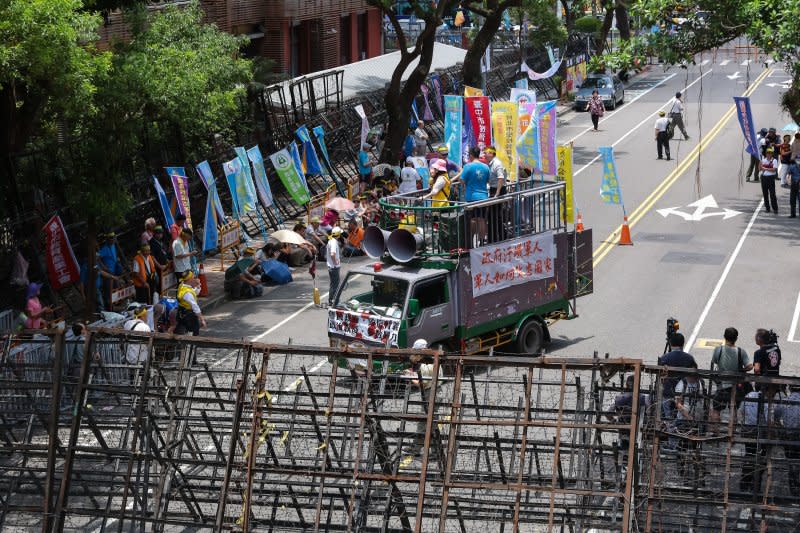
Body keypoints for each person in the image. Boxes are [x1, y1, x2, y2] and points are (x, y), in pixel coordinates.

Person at [405, 338, 444, 456]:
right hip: (434, 392)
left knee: (426, 423)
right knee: (429, 423)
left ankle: (432, 451)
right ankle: (420, 449)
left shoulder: (426, 365)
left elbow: (422, 383)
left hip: (431, 393)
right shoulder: (433, 358)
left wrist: (410, 377)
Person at [709, 327, 752, 428]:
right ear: (736, 338)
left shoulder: (718, 350)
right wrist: (741, 370)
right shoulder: (741, 351)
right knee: (734, 410)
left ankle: (716, 432)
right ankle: (731, 434)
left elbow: (714, 361)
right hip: (735, 386)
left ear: (724, 337)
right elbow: (750, 366)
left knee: (716, 410)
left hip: (721, 386)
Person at [607, 375, 649, 463]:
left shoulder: (618, 398)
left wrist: (614, 421)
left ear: (626, 384)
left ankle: (623, 463)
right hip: (637, 430)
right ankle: (635, 464)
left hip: (623, 428)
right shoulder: (643, 398)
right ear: (638, 384)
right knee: (637, 451)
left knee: (623, 449)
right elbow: (649, 413)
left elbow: (608, 413)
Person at [658, 333, 698, 418]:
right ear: (683, 344)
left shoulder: (664, 358)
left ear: (671, 344)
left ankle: (668, 426)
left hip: (667, 392)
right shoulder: (689, 358)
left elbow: (660, 376)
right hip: (684, 394)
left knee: (667, 416)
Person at [739, 387, 770, 494]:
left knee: (749, 454)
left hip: (748, 430)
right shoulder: (766, 401)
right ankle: (755, 486)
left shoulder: (748, 395)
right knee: (761, 458)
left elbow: (741, 411)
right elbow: (768, 419)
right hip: (761, 432)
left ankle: (744, 484)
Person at [774, 386, 800, 496]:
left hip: (789, 437)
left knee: (792, 463)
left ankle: (794, 488)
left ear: (790, 389)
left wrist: (783, 431)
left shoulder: (784, 402)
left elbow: (775, 419)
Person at [175, 272, 206, 336]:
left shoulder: (183, 285)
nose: (195, 279)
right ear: (190, 280)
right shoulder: (187, 293)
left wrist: (198, 285)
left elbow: (194, 292)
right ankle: (190, 344)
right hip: (188, 315)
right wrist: (202, 319)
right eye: (194, 277)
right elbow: (195, 307)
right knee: (194, 333)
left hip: (181, 312)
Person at [326, 227, 343, 307]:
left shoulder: (331, 240)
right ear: (338, 235)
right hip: (334, 267)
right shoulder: (333, 242)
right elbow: (333, 254)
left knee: (333, 284)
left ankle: (331, 300)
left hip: (331, 266)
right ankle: (334, 301)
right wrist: (335, 262)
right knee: (335, 285)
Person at [760, 148, 779, 213]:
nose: (769, 154)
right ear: (766, 154)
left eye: (770, 153)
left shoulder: (774, 160)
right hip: (764, 178)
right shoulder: (763, 160)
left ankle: (775, 208)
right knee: (765, 194)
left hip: (770, 178)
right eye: (768, 153)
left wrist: (765, 168)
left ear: (772, 154)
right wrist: (759, 163)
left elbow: (774, 169)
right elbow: (760, 169)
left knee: (772, 194)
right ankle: (767, 208)